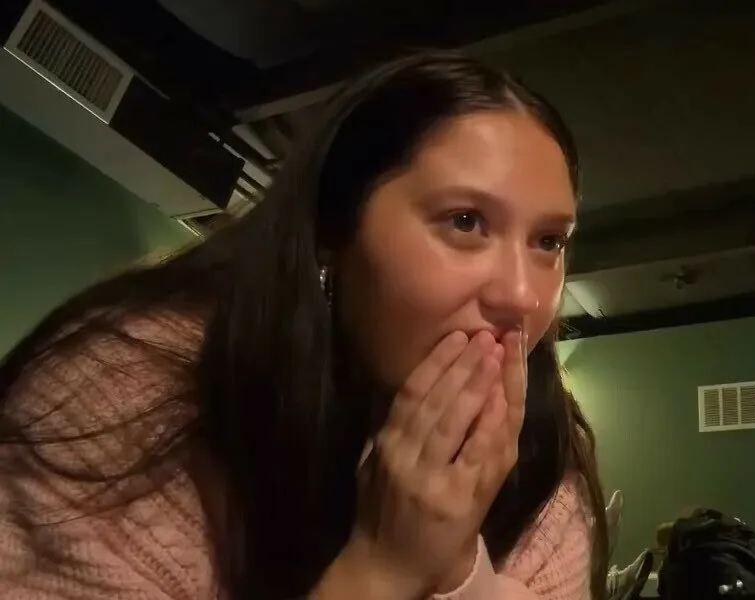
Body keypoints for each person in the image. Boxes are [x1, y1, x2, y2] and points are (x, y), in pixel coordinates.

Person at [0, 50, 608, 600]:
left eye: (548, 242)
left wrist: (457, 573)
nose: (523, 296)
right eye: (466, 221)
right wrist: (382, 569)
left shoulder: (545, 469)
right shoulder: (129, 399)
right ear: (332, 231)